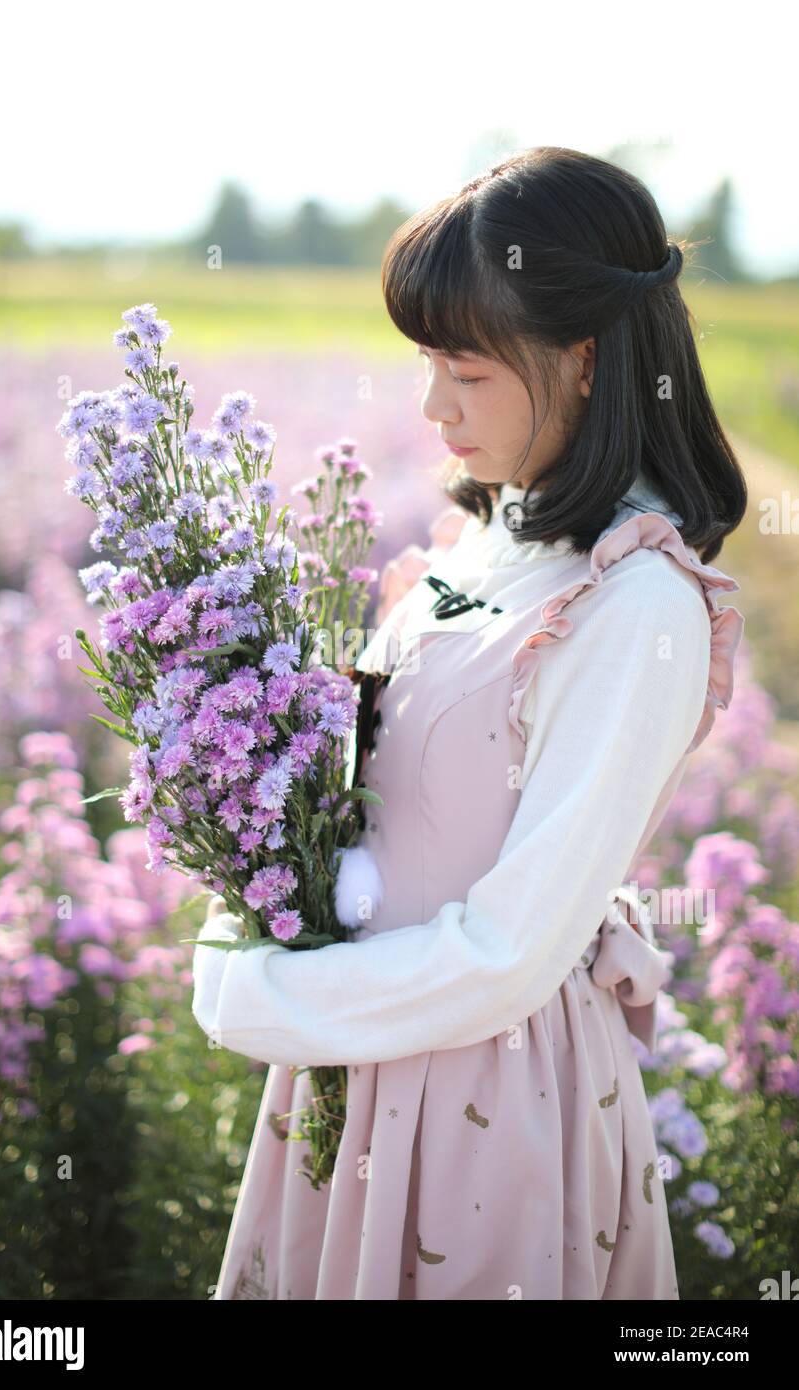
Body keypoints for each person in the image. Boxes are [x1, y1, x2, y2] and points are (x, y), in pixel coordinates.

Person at [191, 146, 747, 1301]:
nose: (432, 404)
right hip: (363, 1050)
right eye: (424, 363)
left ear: (584, 360)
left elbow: (509, 952)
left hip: (478, 1102)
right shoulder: (492, 535)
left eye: (467, 370)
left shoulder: (635, 603)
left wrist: (269, 998)